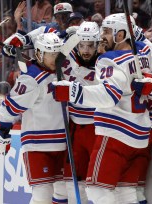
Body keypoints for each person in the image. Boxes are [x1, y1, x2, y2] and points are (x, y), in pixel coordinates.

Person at [52, 13, 152, 203]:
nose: (102, 36)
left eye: (107, 31)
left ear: (120, 36)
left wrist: (72, 92)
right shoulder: (144, 57)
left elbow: (108, 95)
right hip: (140, 135)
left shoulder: (109, 60)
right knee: (126, 193)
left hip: (115, 134)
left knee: (97, 191)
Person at [0, 33, 68, 204]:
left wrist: (23, 38)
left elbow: (56, 30)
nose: (56, 58)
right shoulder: (31, 78)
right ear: (39, 54)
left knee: (63, 192)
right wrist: (4, 130)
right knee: (42, 195)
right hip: (38, 145)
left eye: (57, 53)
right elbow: (10, 107)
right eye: (50, 54)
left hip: (64, 142)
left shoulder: (63, 71)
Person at [61, 21, 101, 203]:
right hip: (75, 129)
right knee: (72, 182)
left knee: (97, 183)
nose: (85, 50)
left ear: (98, 43)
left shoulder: (105, 64)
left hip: (98, 129)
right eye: (81, 45)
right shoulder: (67, 57)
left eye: (90, 45)